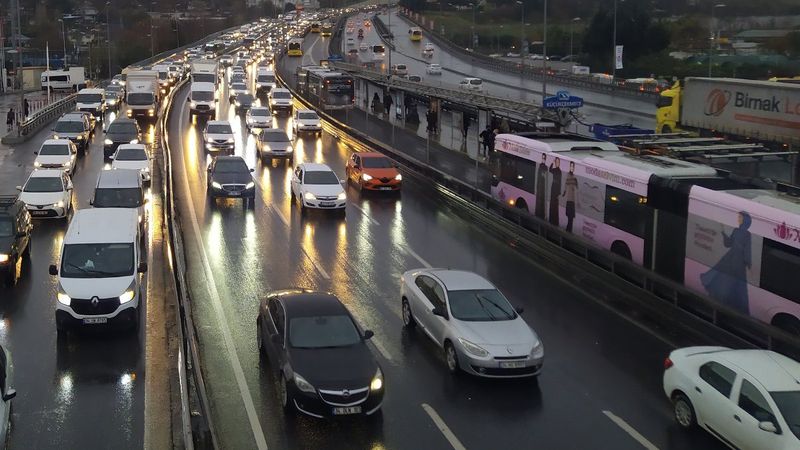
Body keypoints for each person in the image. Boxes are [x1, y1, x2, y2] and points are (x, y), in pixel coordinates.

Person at [700, 212, 752, 315]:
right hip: (730, 259)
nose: (738, 219)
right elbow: (728, 244)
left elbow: (747, 249)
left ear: (745, 220)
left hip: (738, 262)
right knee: (722, 279)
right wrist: (723, 232)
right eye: (738, 217)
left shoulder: (747, 234)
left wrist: (747, 263)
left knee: (732, 282)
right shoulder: (736, 230)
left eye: (740, 217)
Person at [563, 161, 578, 232]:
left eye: (573, 166)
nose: (572, 168)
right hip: (569, 199)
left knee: (571, 218)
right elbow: (566, 185)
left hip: (573, 200)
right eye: (571, 166)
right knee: (569, 217)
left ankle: (569, 230)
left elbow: (576, 187)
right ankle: (568, 230)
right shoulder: (568, 175)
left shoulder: (574, 177)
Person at [548, 157, 562, 226]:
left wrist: (559, 193)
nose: (557, 163)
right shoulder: (555, 170)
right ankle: (551, 219)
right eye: (556, 162)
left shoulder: (559, 171)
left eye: (558, 162)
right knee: (552, 204)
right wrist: (552, 162)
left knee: (555, 205)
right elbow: (550, 170)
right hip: (553, 187)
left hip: (556, 189)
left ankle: (554, 221)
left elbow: (560, 182)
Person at [535, 154, 547, 219]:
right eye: (542, 158)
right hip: (539, 187)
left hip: (543, 188)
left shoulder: (545, 168)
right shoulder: (540, 166)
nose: (543, 160)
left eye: (544, 158)